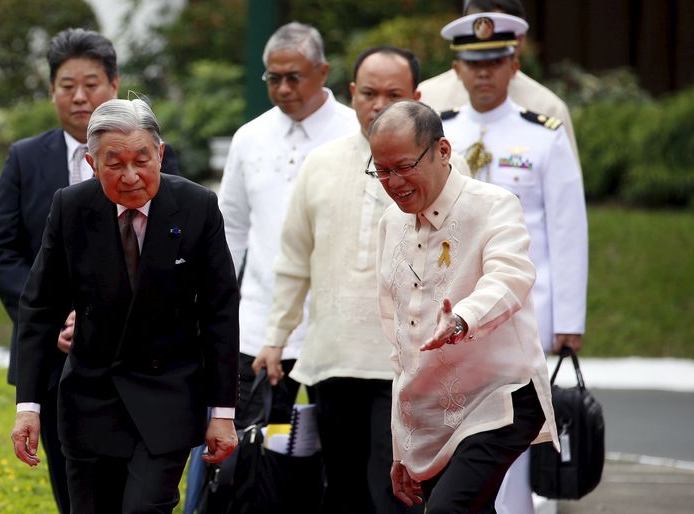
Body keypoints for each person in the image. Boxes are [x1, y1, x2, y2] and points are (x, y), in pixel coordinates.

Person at [251, 46, 468, 514]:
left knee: (392, 493)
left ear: (417, 95)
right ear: (351, 93)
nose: (380, 104)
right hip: (334, 357)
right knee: (343, 490)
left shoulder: (447, 169)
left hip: (410, 364)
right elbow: (293, 259)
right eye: (369, 93)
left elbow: (466, 262)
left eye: (394, 94)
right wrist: (275, 338)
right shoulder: (319, 164)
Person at [9, 98, 239, 514]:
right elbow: (39, 308)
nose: (131, 176)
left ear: (161, 154)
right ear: (93, 165)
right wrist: (28, 407)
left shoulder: (197, 206)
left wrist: (222, 411)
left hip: (167, 397)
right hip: (91, 400)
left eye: (142, 159)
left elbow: (220, 312)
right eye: (115, 164)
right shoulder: (71, 208)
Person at [0, 28, 179, 513]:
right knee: (75, 487)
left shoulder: (150, 156)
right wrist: (54, 318)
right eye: (66, 85)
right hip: (55, 357)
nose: (79, 95)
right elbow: (0, 248)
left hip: (141, 359)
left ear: (114, 84)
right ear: (52, 92)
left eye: (90, 83)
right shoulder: (26, 158)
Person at [371, 99, 559, 513]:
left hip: (500, 395)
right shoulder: (390, 222)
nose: (394, 182)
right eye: (381, 170)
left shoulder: (493, 204)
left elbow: (511, 277)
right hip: (431, 409)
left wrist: (461, 319)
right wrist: (401, 448)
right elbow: (399, 341)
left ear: (442, 150)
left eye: (404, 166)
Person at [437, 11, 588, 513]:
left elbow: (567, 230)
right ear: (457, 68)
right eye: (473, 63)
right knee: (457, 428)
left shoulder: (543, 136)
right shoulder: (442, 137)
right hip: (454, 308)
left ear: (514, 64)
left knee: (516, 429)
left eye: (496, 61)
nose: (485, 73)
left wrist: (568, 319)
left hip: (525, 309)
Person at [217, 21, 358, 430]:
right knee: (250, 447)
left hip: (336, 321)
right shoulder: (249, 137)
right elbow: (232, 229)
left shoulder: (356, 133)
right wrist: (220, 303)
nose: (282, 89)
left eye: (293, 77)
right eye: (273, 78)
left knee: (338, 449)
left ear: (322, 72)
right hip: (258, 319)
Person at [417, 0, 580, 161]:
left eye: (495, 60)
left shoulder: (547, 107)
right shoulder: (428, 98)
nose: (484, 43)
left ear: (520, 41)